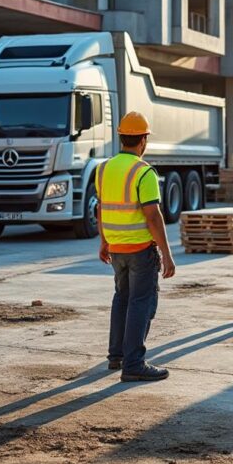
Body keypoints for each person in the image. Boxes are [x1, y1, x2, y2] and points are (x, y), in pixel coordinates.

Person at [97, 111, 177, 382]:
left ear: (121, 137)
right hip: (140, 250)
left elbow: (101, 208)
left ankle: (116, 356)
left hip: (117, 248)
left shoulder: (104, 168)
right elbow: (153, 215)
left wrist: (104, 241)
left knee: (122, 299)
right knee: (141, 302)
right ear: (143, 140)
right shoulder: (144, 172)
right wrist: (167, 254)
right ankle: (134, 363)